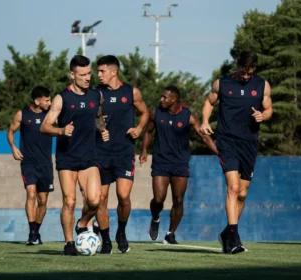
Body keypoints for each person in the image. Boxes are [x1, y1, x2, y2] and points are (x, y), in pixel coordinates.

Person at [200, 50, 273, 254]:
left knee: (242, 193)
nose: (246, 75)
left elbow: (269, 109)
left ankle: (227, 233)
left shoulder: (262, 85)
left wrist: (263, 115)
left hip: (249, 143)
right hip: (227, 141)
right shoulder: (222, 83)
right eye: (243, 71)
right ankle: (233, 236)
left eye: (250, 72)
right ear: (237, 65)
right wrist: (205, 121)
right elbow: (209, 102)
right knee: (232, 188)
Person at [40, 55, 109, 256]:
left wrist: (102, 129)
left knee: (95, 200)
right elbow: (45, 126)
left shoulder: (96, 95)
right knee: (69, 201)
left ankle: (83, 223)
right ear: (72, 75)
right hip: (67, 158)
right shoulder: (62, 98)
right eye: (83, 74)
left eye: (89, 73)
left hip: (89, 156)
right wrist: (61, 131)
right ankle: (69, 242)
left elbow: (97, 116)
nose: (88, 78)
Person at [139, 86, 218, 244]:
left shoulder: (188, 116)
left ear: (174, 99)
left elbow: (203, 137)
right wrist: (144, 150)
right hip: (161, 161)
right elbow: (148, 131)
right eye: (162, 97)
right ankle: (155, 218)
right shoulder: (157, 113)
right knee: (159, 199)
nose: (161, 99)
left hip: (180, 163)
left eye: (165, 97)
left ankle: (170, 234)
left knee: (178, 200)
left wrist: (218, 152)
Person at [94, 55, 149, 254]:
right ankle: (106, 239)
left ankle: (121, 232)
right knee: (101, 199)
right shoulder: (95, 94)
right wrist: (99, 125)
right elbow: (90, 119)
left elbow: (144, 112)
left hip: (124, 153)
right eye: (97, 71)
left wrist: (139, 128)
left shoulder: (131, 92)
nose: (98, 75)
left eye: (102, 71)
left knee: (123, 196)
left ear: (113, 71)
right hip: (100, 152)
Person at [7, 86, 53, 246]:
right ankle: (32, 232)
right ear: (37, 101)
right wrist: (13, 147)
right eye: (47, 100)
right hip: (28, 163)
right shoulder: (22, 114)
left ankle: (36, 231)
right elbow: (11, 131)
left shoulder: (51, 114)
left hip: (46, 164)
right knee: (31, 193)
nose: (50, 102)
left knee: (42, 200)